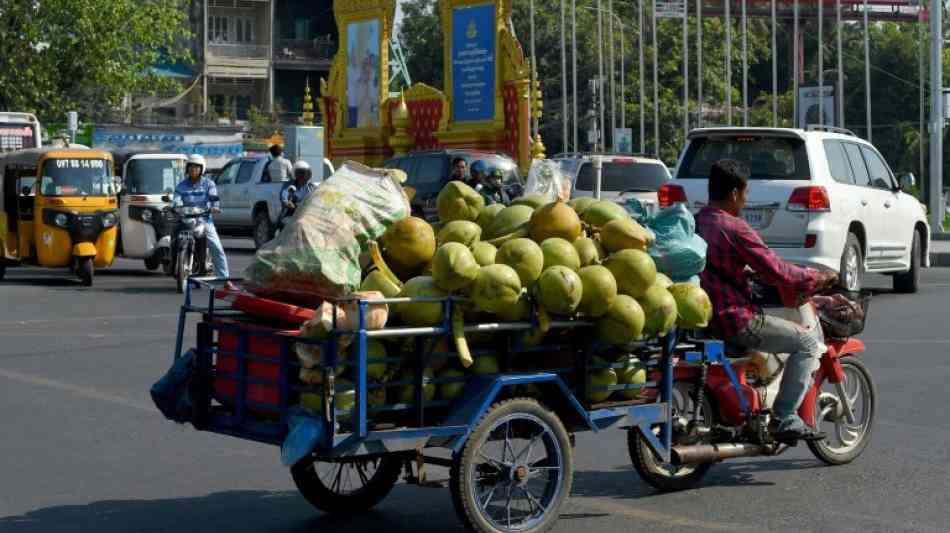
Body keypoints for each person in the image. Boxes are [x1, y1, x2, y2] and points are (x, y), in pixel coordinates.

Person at [695, 159, 838, 442]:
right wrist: (817, 277)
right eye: (746, 194)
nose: (746, 201)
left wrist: (745, 271)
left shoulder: (697, 221)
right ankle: (784, 418)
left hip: (704, 316)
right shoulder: (735, 228)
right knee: (807, 343)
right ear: (735, 193)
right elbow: (777, 269)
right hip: (734, 318)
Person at [173, 154, 229, 280]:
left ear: (201, 169)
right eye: (191, 167)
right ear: (187, 169)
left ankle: (224, 279)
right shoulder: (181, 186)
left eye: (196, 167)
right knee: (173, 239)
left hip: (204, 220)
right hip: (186, 220)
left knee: (217, 247)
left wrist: (215, 206)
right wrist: (175, 206)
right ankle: (174, 266)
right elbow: (176, 200)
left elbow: (214, 199)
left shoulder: (209, 184)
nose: (193, 170)